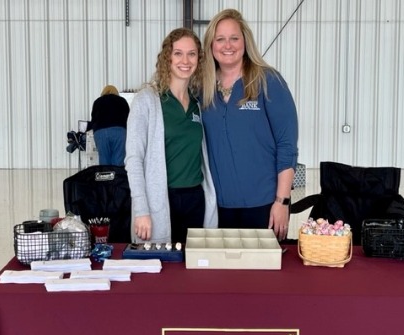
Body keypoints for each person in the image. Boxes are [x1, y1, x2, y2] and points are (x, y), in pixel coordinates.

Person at [201, 9, 299, 241]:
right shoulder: (201, 88)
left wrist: (282, 202)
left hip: (264, 206)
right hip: (218, 209)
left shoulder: (268, 81)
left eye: (234, 38)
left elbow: (287, 146)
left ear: (245, 41)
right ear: (211, 44)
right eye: (220, 39)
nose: (228, 45)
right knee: (223, 277)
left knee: (261, 277)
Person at [125, 28, 217, 244]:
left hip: (195, 200)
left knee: (194, 269)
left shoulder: (198, 105)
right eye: (178, 53)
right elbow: (133, 159)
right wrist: (141, 209)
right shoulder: (147, 100)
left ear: (199, 59)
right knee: (161, 269)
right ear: (167, 58)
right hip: (161, 200)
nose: (185, 60)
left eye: (192, 54)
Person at [89, 85, 130, 166]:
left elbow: (93, 120)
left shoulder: (97, 102)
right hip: (119, 131)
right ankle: (117, 177)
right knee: (118, 160)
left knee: (104, 159)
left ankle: (105, 177)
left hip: (100, 132)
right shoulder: (122, 101)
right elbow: (129, 119)